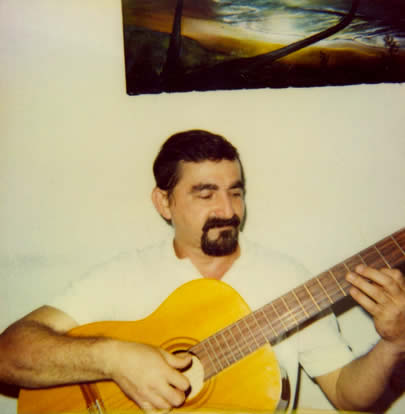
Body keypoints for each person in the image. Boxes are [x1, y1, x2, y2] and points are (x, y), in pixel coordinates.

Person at [0, 129, 404, 413]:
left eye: (235, 192)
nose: (228, 210)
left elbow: (348, 396)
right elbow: (8, 354)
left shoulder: (287, 279)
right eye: (205, 194)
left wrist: (393, 344)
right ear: (164, 202)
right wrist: (113, 358)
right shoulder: (123, 276)